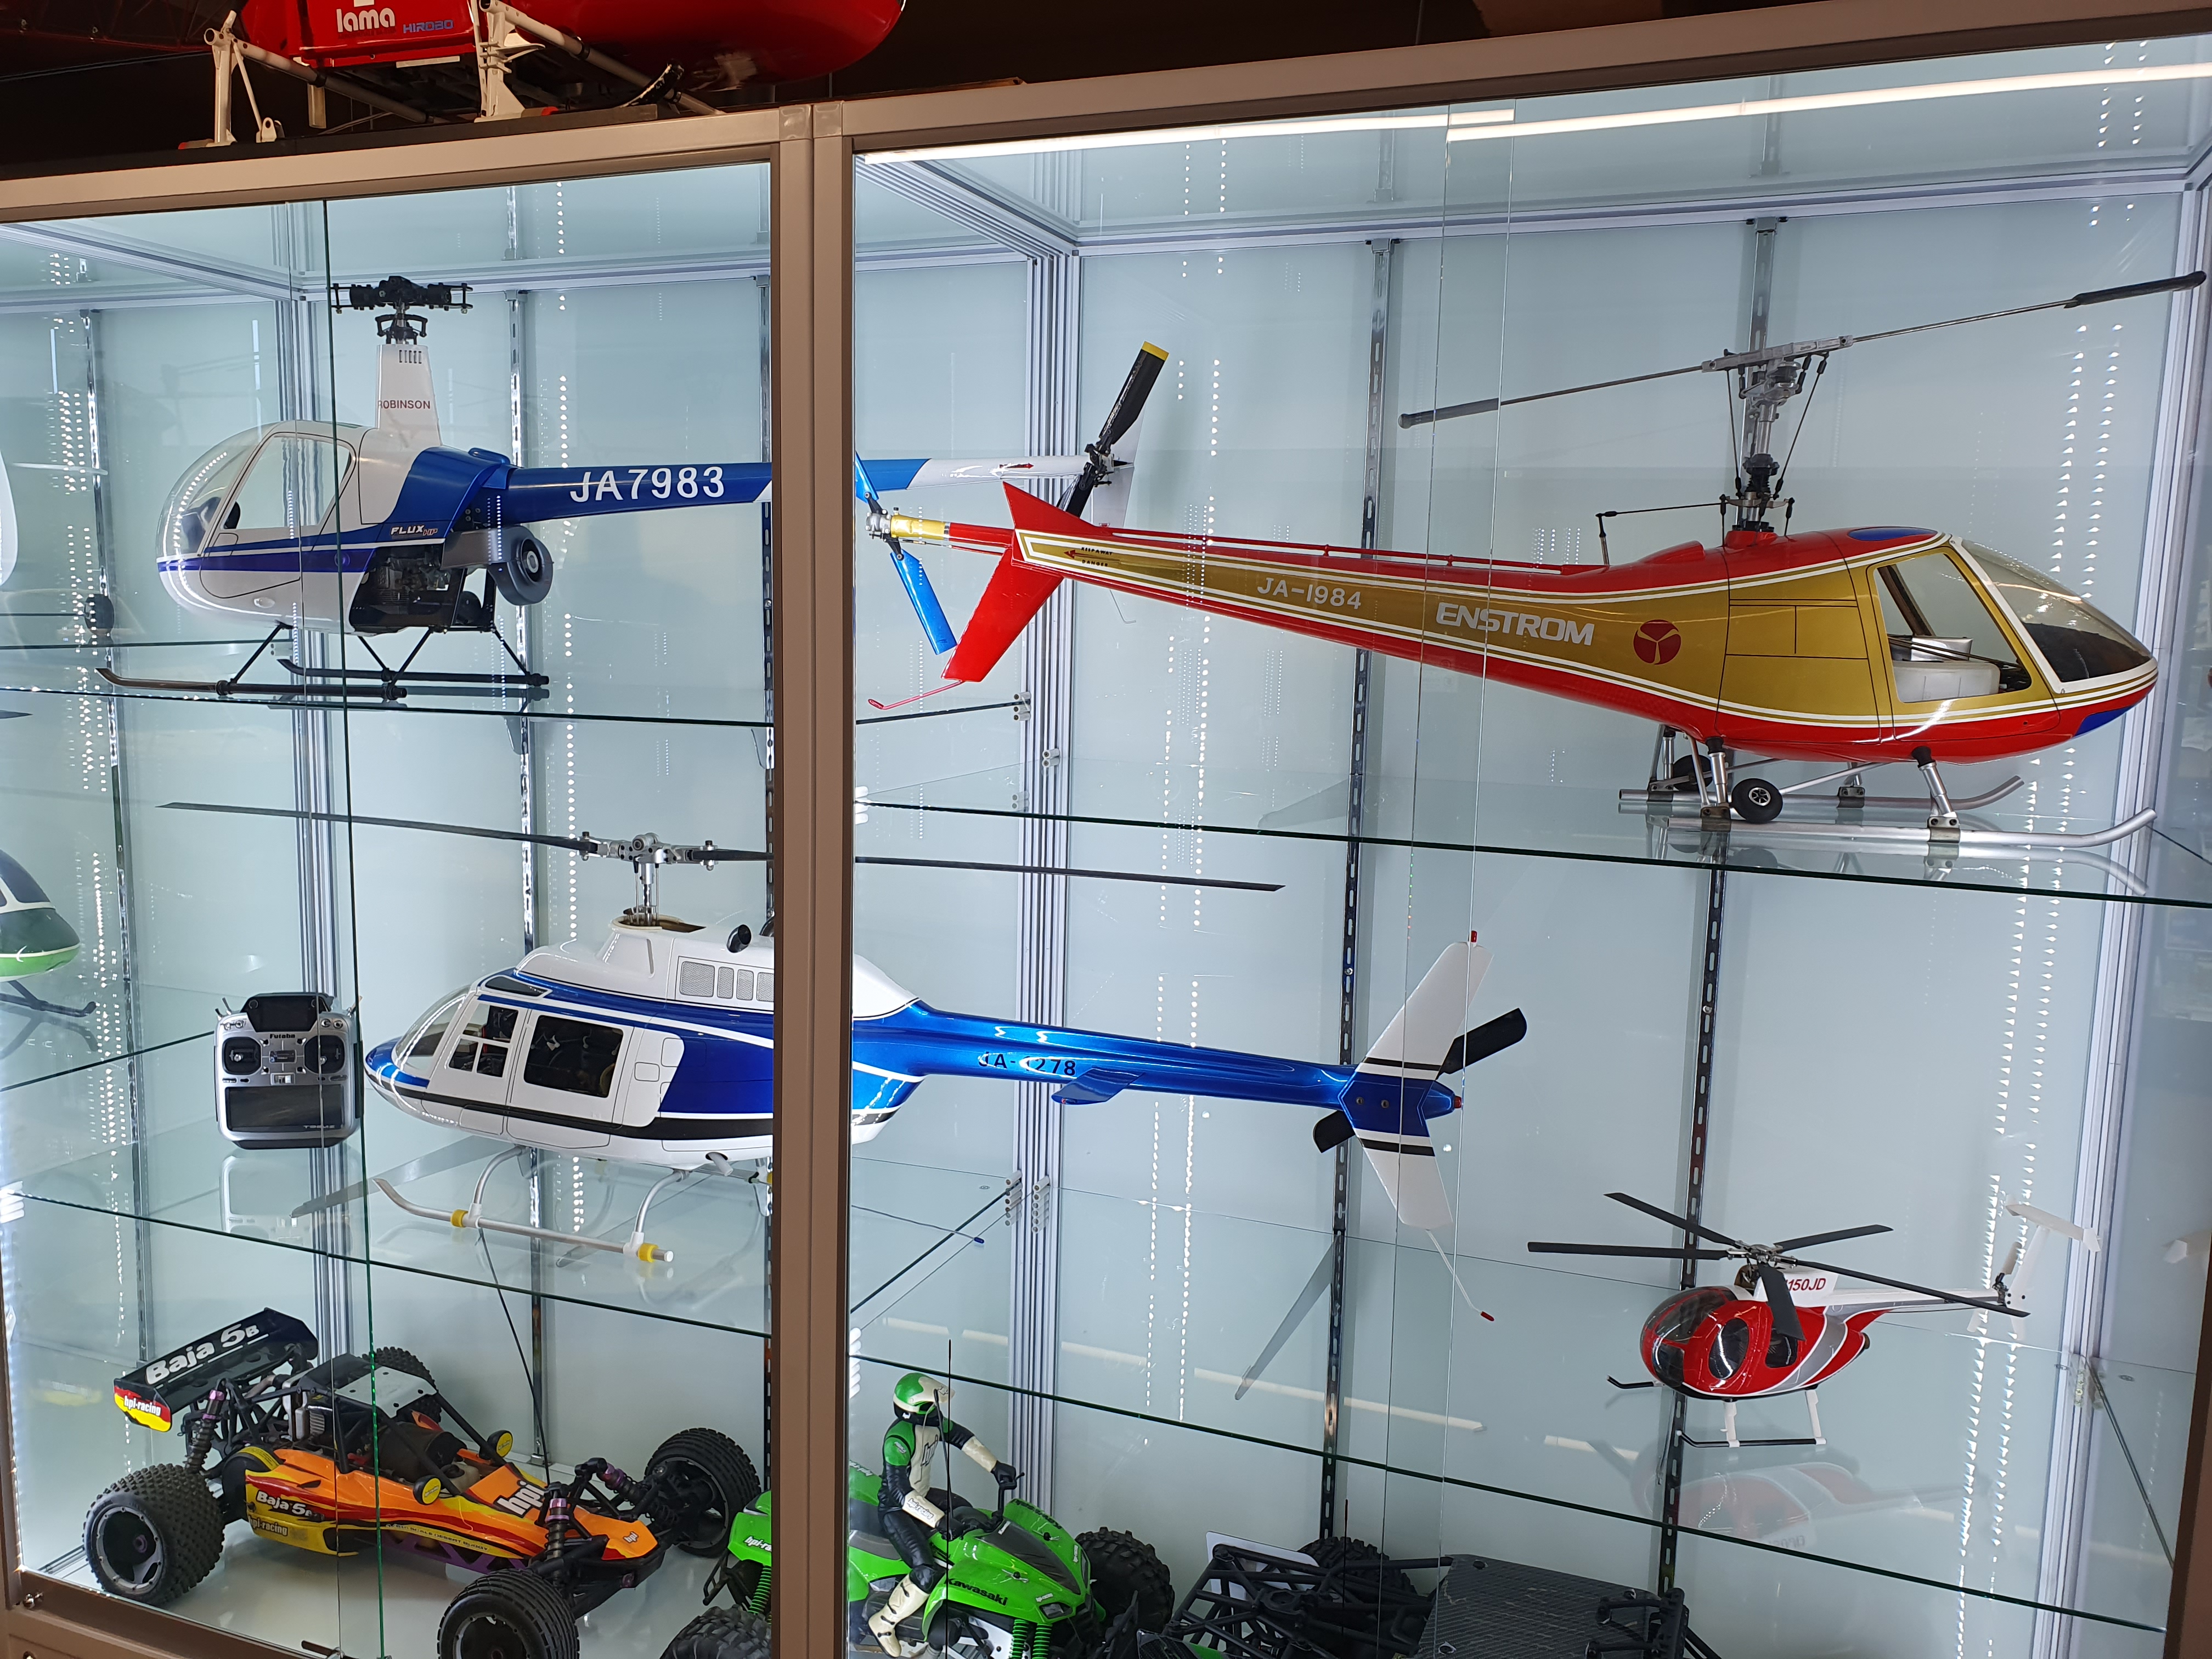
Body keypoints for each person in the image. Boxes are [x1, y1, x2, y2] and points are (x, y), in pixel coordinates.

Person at [868, 1372, 1020, 1655]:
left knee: (967, 1513)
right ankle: (884, 1622)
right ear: (913, 1409)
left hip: (923, 1494)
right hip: (896, 1509)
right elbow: (900, 1493)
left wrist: (995, 1466)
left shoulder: (932, 1423)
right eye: (929, 1406)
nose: (936, 1412)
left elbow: (964, 1439)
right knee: (925, 1572)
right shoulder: (898, 1440)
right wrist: (938, 1519)